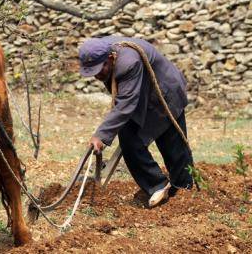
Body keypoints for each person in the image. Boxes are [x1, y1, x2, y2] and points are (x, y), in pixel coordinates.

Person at [78, 36, 194, 207]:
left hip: (165, 94)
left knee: (172, 146)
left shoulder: (128, 63)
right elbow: (126, 100)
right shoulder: (100, 50)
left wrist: (101, 135)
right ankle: (158, 185)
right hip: (141, 97)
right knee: (129, 140)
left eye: (99, 70)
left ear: (110, 58)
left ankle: (184, 191)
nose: (97, 76)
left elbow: (125, 104)